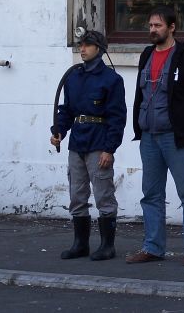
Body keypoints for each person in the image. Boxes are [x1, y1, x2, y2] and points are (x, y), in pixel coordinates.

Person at [125, 6, 184, 266]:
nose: (153, 30)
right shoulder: (147, 55)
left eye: (158, 25)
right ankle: (152, 247)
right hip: (149, 136)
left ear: (172, 27)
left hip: (175, 137)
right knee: (151, 194)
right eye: (150, 25)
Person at [50, 29, 126, 261]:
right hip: (77, 143)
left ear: (99, 49)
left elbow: (117, 117)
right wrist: (59, 131)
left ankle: (107, 246)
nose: (82, 49)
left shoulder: (112, 80)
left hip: (99, 143)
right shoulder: (73, 77)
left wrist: (109, 149)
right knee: (77, 194)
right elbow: (66, 110)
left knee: (103, 194)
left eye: (87, 45)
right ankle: (80, 244)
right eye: (80, 45)